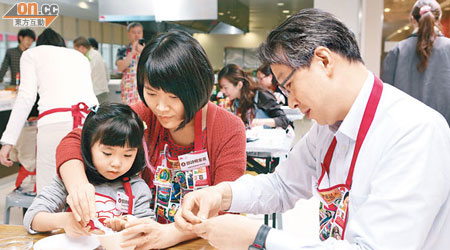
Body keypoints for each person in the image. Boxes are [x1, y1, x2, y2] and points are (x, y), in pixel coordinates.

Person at [175, 8, 450, 250]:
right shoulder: (327, 128)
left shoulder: (414, 131)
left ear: (324, 60)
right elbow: (282, 185)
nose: (291, 101)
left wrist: (260, 238)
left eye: (289, 85)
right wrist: (221, 194)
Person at [55, 30, 246, 249]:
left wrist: (171, 233)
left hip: (200, 242)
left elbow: (226, 208)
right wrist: (79, 185)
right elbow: (74, 139)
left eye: (174, 97)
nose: (161, 108)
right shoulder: (144, 114)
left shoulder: (228, 128)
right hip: (142, 238)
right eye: (152, 93)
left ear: (198, 89)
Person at [23, 103, 154, 237]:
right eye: (107, 153)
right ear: (88, 147)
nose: (116, 163)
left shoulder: (137, 188)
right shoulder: (68, 181)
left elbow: (149, 227)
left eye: (127, 155)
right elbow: (32, 218)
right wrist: (65, 220)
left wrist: (129, 224)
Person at [0, 28, 98, 193]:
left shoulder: (32, 55)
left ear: (39, 44)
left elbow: (26, 98)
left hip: (54, 125)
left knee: (49, 190)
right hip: (87, 125)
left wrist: (8, 142)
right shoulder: (80, 57)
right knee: (82, 186)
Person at [382, 0, 450, 126]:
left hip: (405, 132)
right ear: (438, 18)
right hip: (445, 133)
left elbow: (385, 99)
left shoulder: (397, 51)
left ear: (412, 19)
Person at [218, 64, 289, 129]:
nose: (222, 91)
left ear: (239, 85)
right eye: (221, 87)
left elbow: (283, 120)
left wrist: (263, 122)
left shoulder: (261, 95)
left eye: (225, 87)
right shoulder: (237, 102)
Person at [74, 36, 110, 104]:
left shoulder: (92, 56)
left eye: (76, 50)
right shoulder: (94, 54)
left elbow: (85, 73)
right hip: (99, 91)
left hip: (98, 93)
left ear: (82, 47)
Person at [116, 22, 144, 105]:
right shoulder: (122, 50)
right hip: (128, 88)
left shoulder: (148, 49)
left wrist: (143, 52)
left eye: (139, 32)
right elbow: (120, 67)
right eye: (133, 32)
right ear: (128, 34)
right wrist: (131, 53)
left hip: (143, 86)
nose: (136, 35)